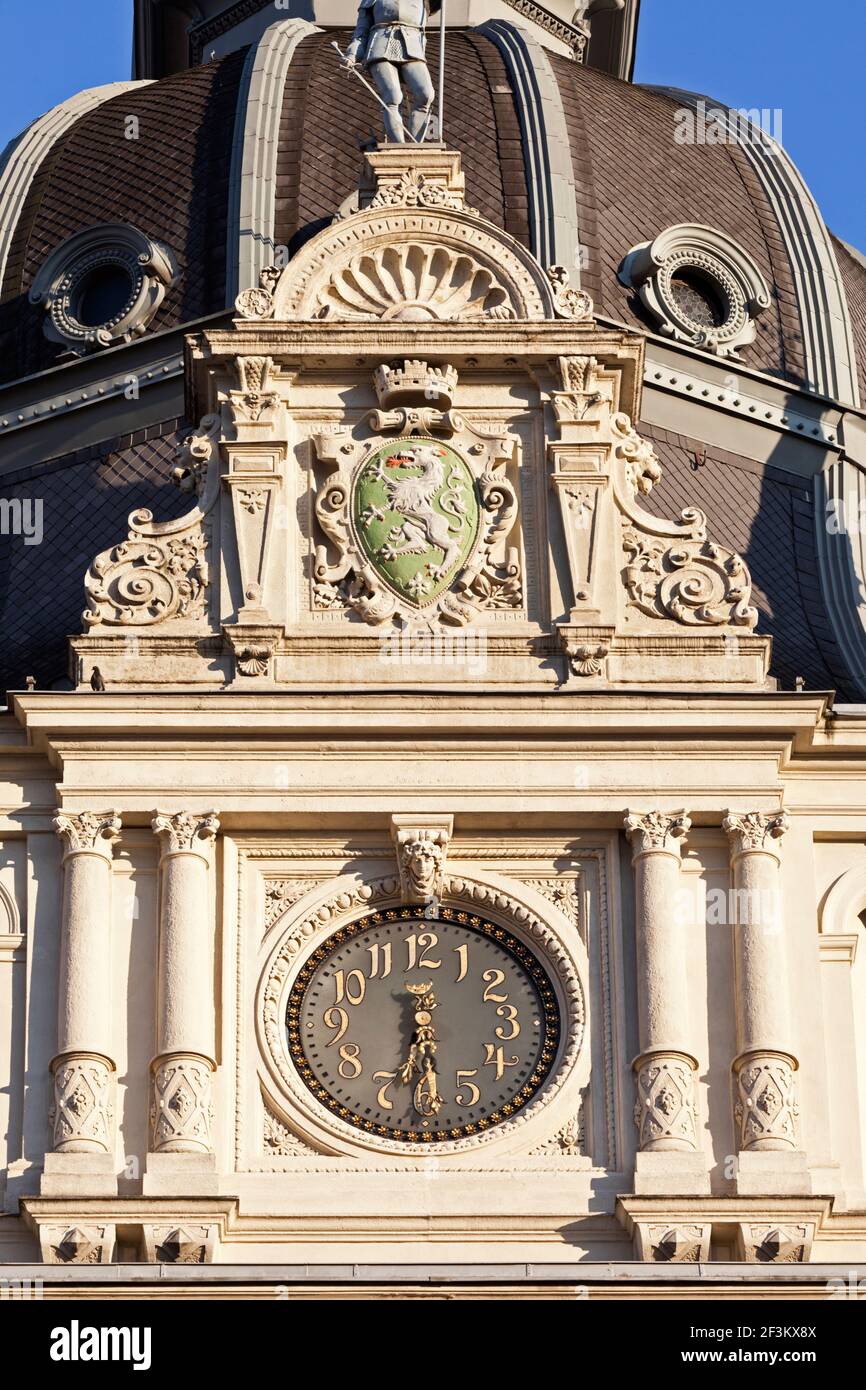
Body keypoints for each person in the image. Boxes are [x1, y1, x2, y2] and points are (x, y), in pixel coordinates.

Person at [345, 0, 441, 144]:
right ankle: (400, 147)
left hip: (412, 46)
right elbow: (361, 31)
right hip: (381, 45)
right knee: (392, 95)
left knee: (426, 94)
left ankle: (415, 146)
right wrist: (352, 54)